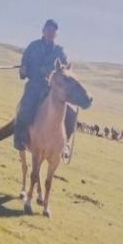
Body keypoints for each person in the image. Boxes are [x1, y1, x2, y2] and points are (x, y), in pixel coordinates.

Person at [13, 19, 77, 154]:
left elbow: (65, 69)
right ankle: (20, 138)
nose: (50, 33)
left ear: (56, 34)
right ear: (43, 30)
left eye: (53, 31)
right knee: (26, 107)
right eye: (48, 30)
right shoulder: (33, 46)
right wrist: (23, 70)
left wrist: (49, 71)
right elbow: (24, 64)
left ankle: (64, 144)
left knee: (71, 112)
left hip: (52, 89)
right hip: (35, 85)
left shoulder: (60, 51)